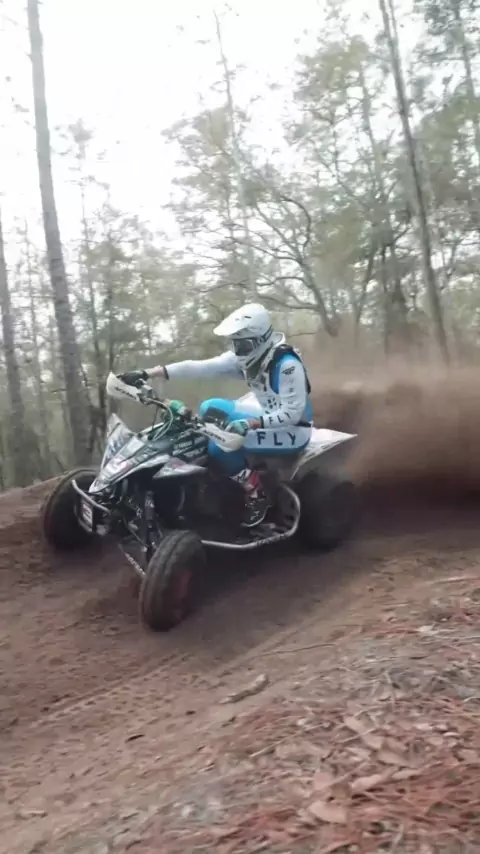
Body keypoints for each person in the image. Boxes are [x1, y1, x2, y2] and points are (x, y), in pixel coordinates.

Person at [119, 303, 313, 528]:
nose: (237, 350)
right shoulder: (247, 358)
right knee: (210, 408)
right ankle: (217, 475)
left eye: (241, 345)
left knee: (219, 447)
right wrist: (147, 373)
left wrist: (251, 423)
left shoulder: (288, 366)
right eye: (235, 344)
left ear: (258, 341)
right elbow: (199, 367)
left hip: (293, 430)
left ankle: (256, 491)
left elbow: (292, 413)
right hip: (267, 415)